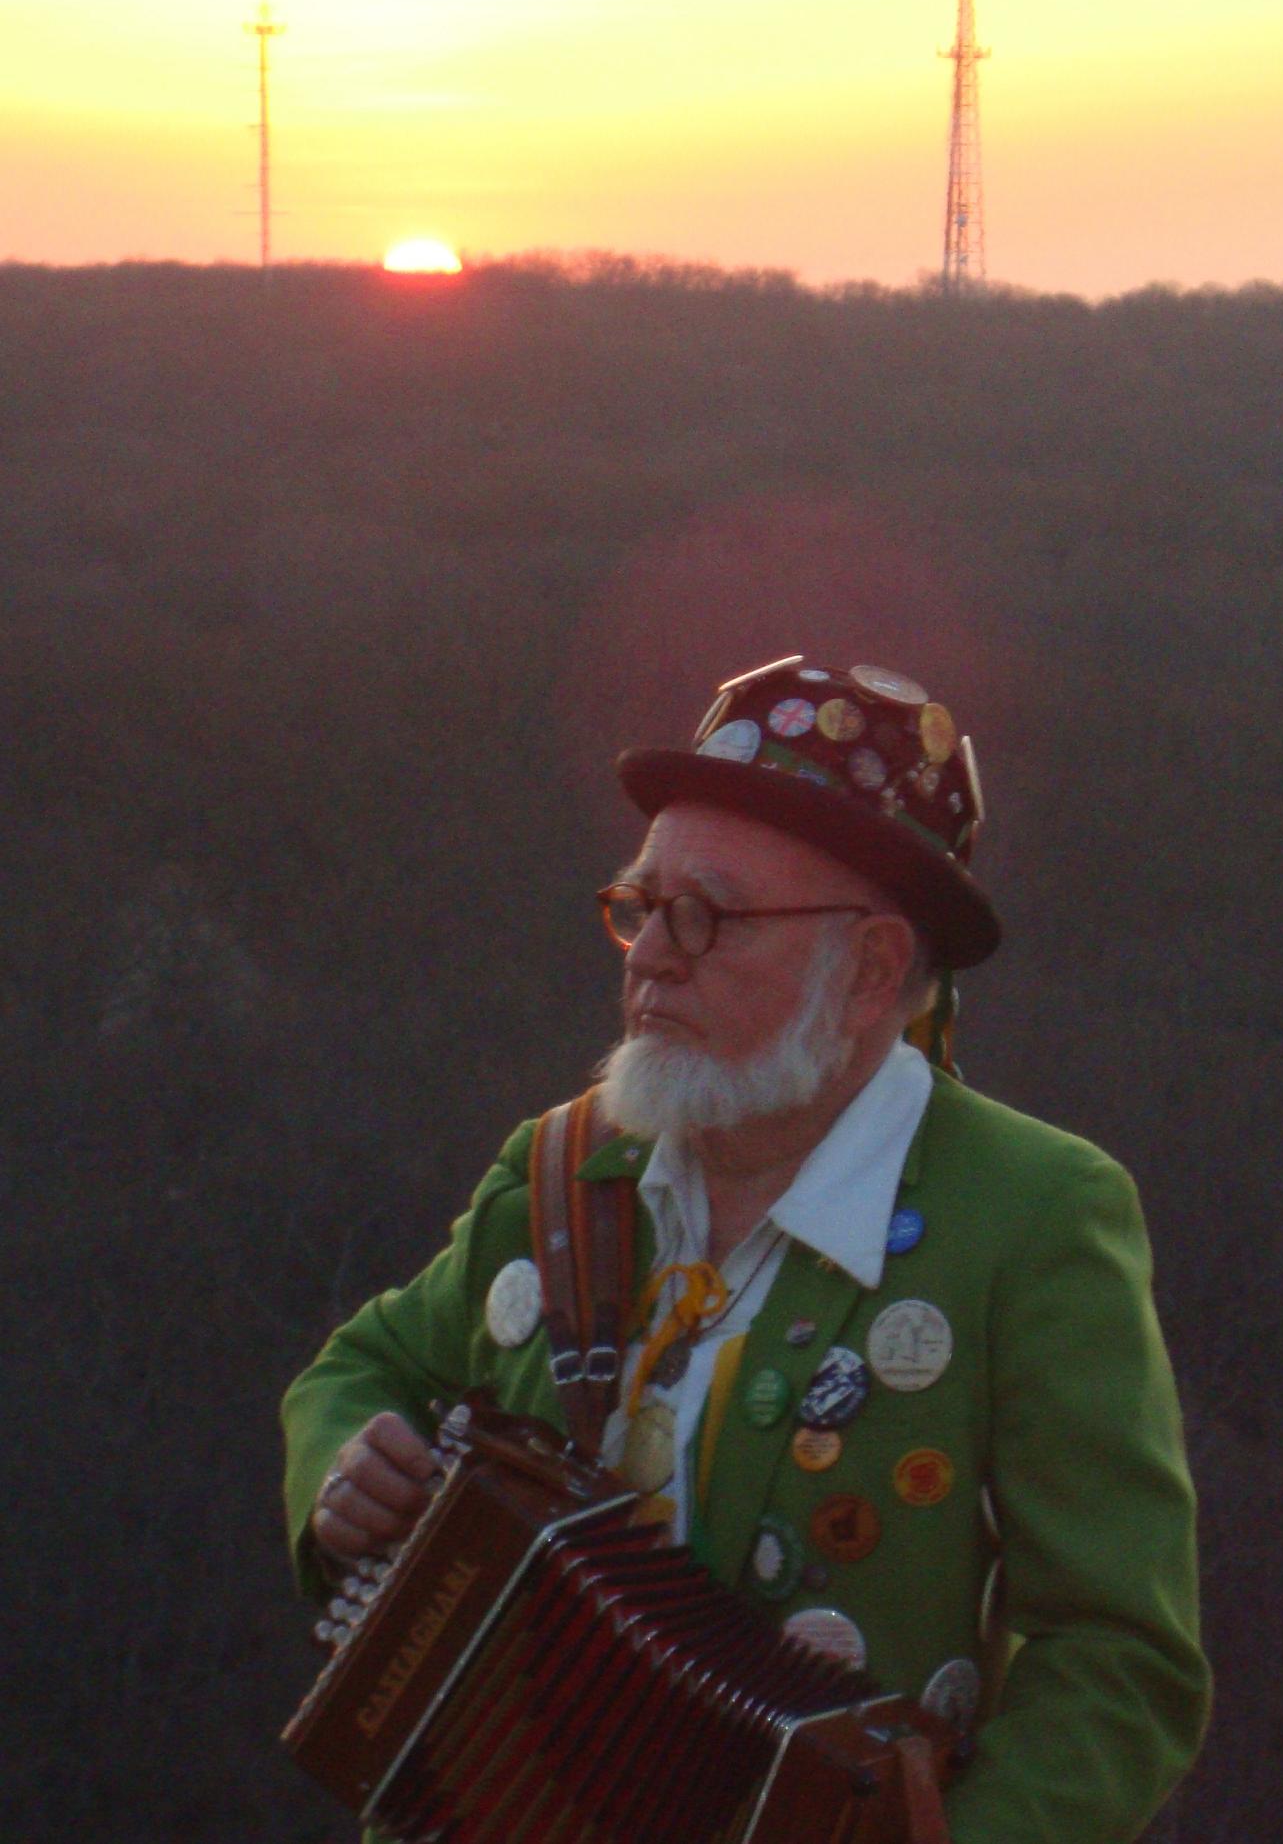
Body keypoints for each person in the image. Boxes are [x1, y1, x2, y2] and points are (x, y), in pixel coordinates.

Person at [281, 654, 1210, 1842]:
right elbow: (359, 1370)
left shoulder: (1031, 1218)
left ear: (870, 970)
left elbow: (1121, 1660)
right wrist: (341, 1472)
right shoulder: (562, 1169)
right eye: (639, 905)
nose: (650, 956)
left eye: (706, 916)